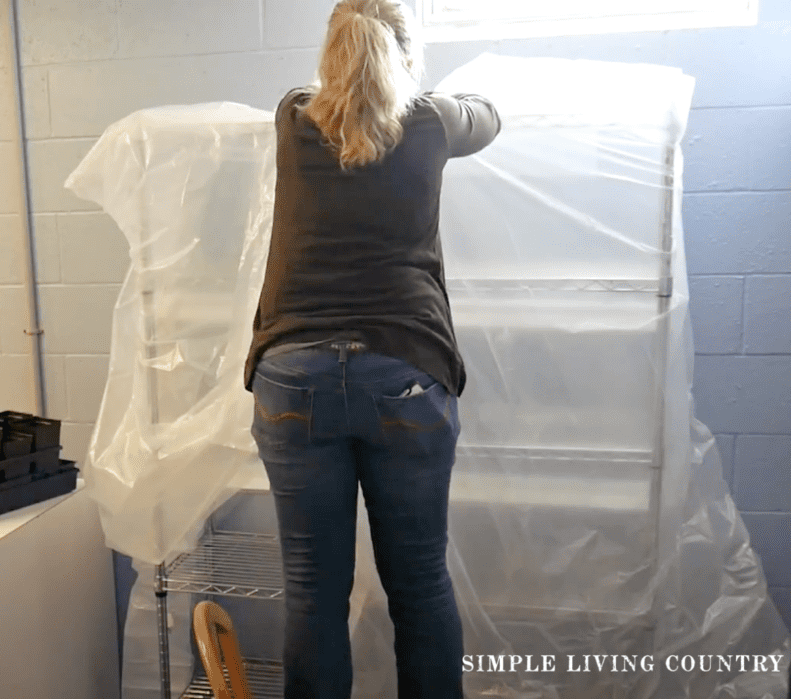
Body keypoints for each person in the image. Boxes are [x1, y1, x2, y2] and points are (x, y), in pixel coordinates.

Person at [243, 1, 500, 697]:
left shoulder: (292, 115)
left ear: (330, 50)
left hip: (293, 375)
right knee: (417, 582)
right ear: (407, 55)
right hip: (404, 372)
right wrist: (425, 90)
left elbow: (342, 111)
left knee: (312, 591)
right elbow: (490, 115)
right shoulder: (434, 122)